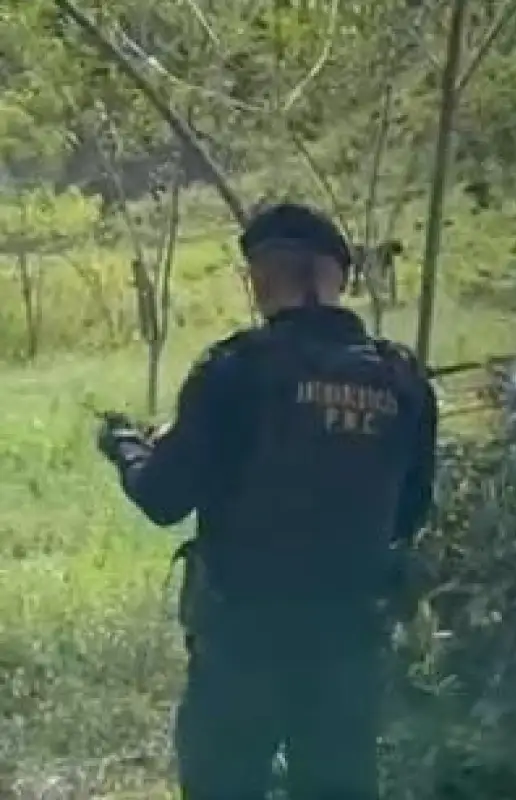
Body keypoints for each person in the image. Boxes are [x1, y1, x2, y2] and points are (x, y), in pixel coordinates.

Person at [95, 202, 439, 799]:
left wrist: (125, 446)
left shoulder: (235, 370)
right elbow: (411, 512)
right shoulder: (402, 380)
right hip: (348, 641)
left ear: (258, 280)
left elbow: (163, 496)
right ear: (341, 277)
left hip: (240, 646)